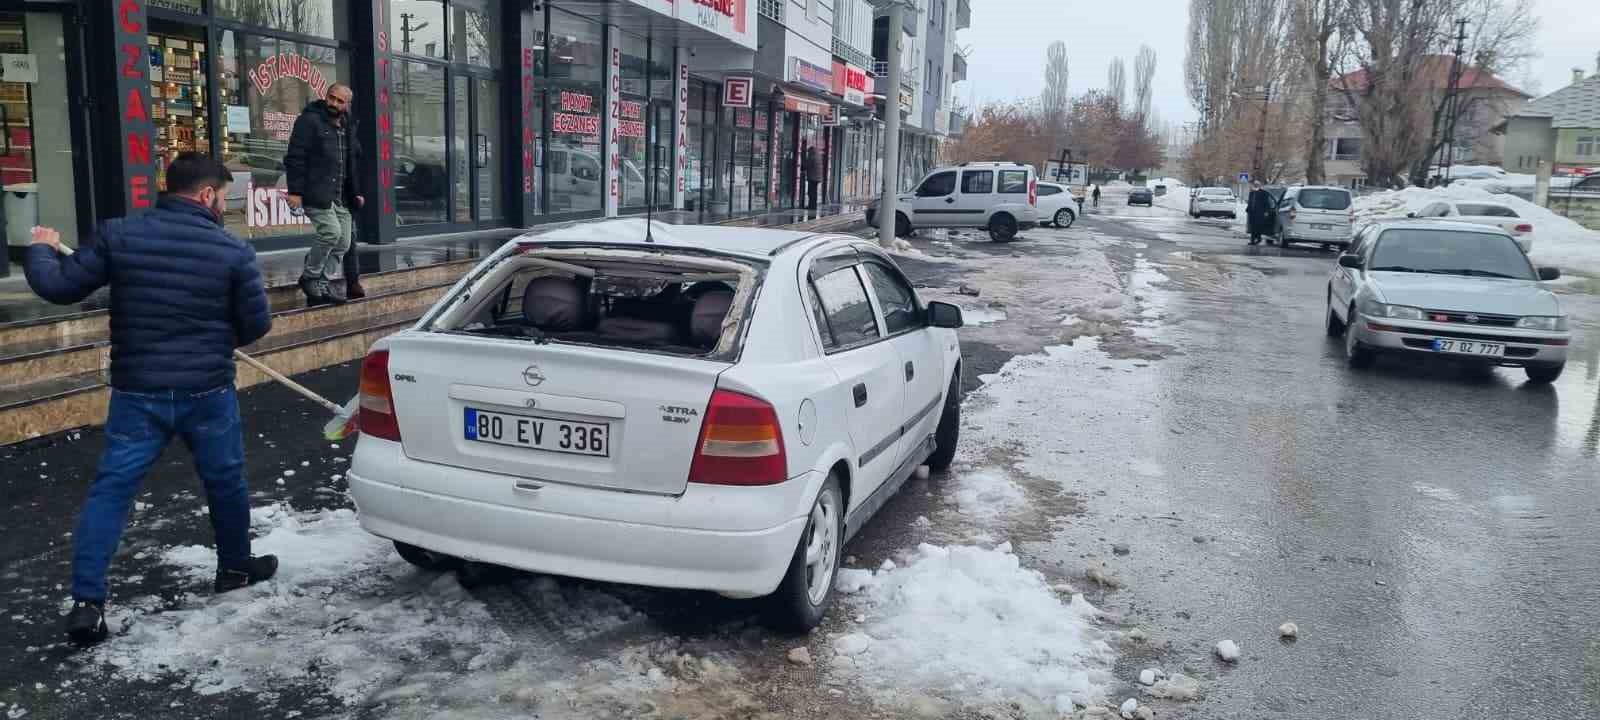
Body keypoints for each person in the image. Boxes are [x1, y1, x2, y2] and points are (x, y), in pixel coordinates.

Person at [24, 152, 279, 647]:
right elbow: (255, 328)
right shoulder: (233, 253)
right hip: (207, 391)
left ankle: (87, 604)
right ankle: (234, 568)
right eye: (222, 197)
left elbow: (58, 285)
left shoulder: (121, 235)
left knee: (112, 490)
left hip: (138, 392)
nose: (222, 206)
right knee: (226, 482)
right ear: (206, 194)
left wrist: (41, 248)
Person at [285, 83, 365, 306]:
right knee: (331, 233)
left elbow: (351, 163)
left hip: (341, 196)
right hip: (317, 191)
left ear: (347, 104)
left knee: (343, 243)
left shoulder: (347, 125)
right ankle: (310, 277)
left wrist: (356, 192)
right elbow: (295, 157)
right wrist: (295, 192)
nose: (334, 103)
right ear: (326, 96)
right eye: (332, 98)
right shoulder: (309, 121)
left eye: (340, 101)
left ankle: (321, 283)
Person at [1246, 179, 1275, 246]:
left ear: (1259, 185)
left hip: (1260, 213)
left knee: (1258, 227)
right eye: (1255, 184)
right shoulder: (1252, 192)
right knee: (1253, 227)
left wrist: (1266, 211)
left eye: (1257, 184)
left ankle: (1258, 238)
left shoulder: (1263, 193)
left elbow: (1266, 203)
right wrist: (1248, 209)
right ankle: (1252, 240)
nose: (1255, 185)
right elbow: (1250, 202)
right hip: (1252, 212)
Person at [801, 143, 822, 210]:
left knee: (811, 192)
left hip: (812, 178)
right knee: (814, 192)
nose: (808, 153)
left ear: (811, 151)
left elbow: (806, 165)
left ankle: (811, 206)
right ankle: (813, 206)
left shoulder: (812, 157)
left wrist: (802, 166)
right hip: (817, 178)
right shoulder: (818, 156)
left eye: (808, 152)